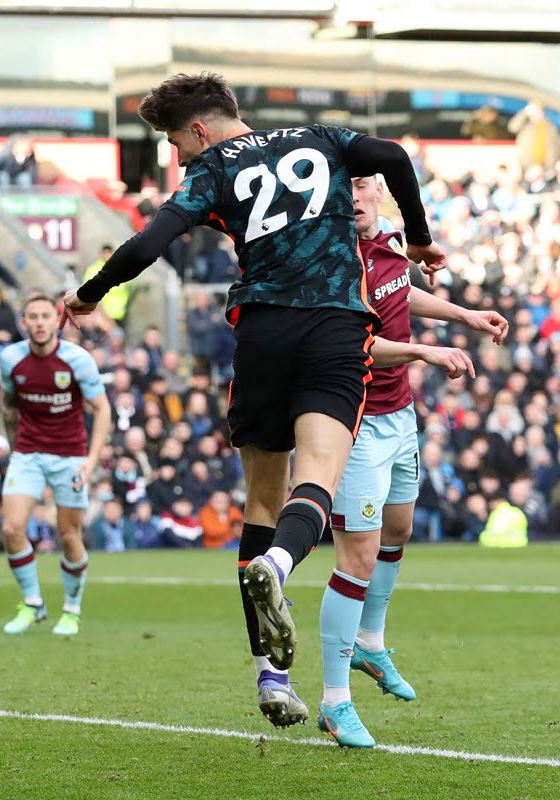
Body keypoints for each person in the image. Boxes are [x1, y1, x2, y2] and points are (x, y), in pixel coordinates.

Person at [62, 72, 448, 727]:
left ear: (200, 129)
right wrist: (417, 235)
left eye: (176, 142)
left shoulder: (212, 169)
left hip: (262, 332)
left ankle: (271, 677)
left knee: (261, 499)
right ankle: (279, 562)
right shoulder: (321, 139)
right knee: (316, 483)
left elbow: (149, 244)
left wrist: (91, 293)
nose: (178, 156)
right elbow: (393, 157)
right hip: (334, 328)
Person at [317, 174, 507, 747]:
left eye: (361, 186)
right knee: (358, 553)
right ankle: (334, 700)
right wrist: (425, 350)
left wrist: (463, 316)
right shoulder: (331, 257)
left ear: (379, 191)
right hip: (356, 422)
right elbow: (357, 341)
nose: (353, 197)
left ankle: (370, 644)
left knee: (399, 529)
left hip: (401, 416)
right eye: (342, 187)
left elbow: (403, 294)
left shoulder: (392, 243)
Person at [0, 295, 111, 637]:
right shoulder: (10, 359)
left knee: (68, 535)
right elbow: (7, 405)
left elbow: (102, 410)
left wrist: (91, 461)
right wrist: (12, 442)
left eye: (46, 316)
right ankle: (33, 603)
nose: (40, 322)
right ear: (24, 322)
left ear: (56, 319)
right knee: (11, 529)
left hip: (70, 456)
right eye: (33, 317)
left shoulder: (77, 360)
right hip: (28, 454)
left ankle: (72, 609)